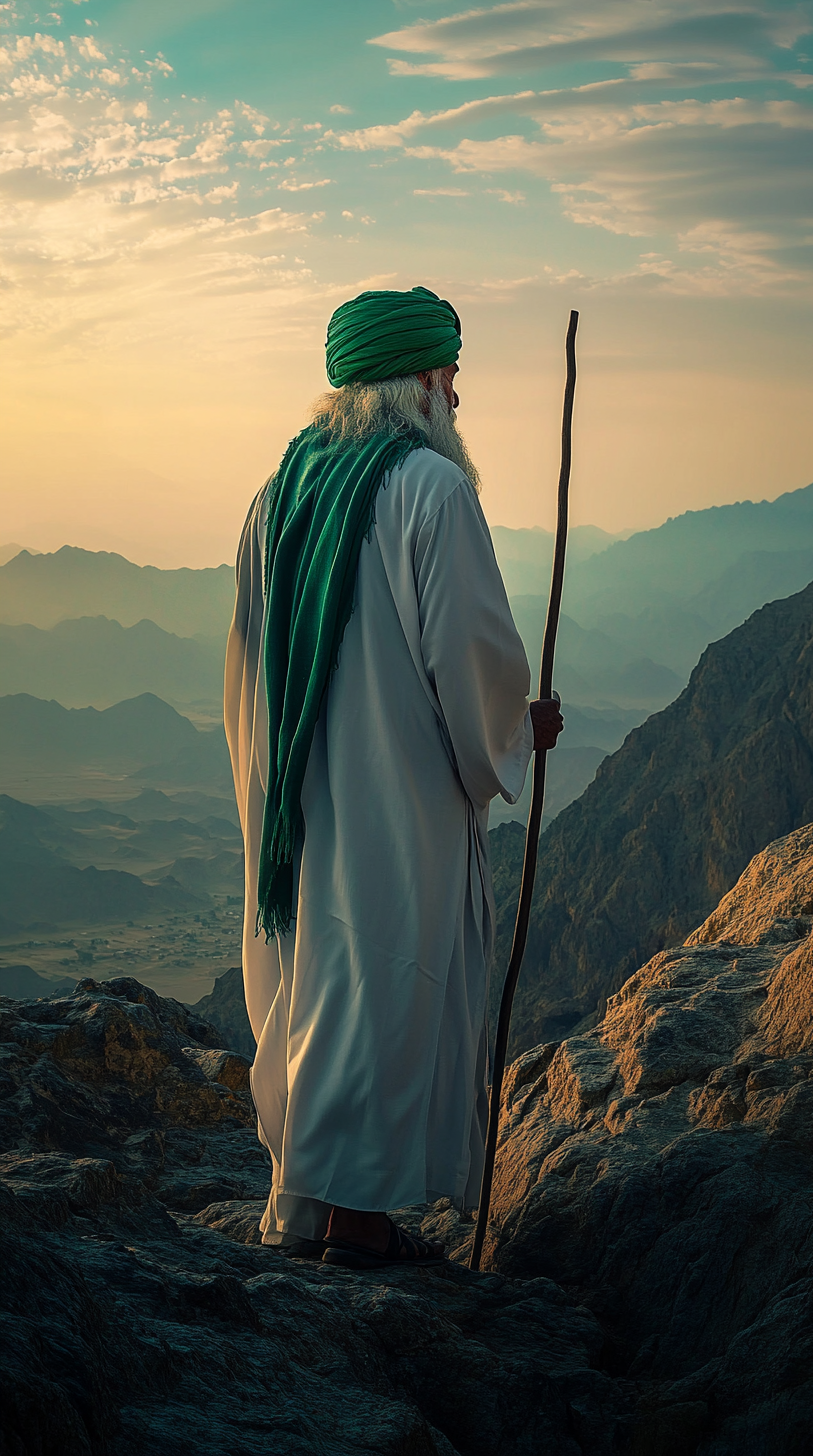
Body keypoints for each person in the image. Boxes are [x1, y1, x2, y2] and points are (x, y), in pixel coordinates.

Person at [224, 286, 563, 1269]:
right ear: (414, 384)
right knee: (384, 989)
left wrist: (274, 787)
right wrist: (518, 726)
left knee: (322, 986)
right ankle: (361, 1229)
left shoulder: (277, 497)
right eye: (447, 377)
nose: (456, 398)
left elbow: (250, 668)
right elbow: (469, 658)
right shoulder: (430, 489)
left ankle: (319, 1207)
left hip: (304, 799)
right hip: (398, 797)